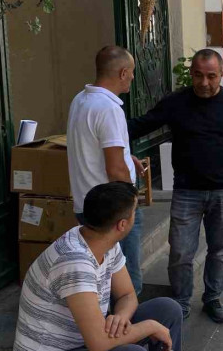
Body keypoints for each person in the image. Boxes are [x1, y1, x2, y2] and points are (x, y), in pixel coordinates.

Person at [128, 49, 223, 322]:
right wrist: (108, 132)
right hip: (187, 191)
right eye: (198, 75)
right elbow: (142, 125)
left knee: (218, 250)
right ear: (191, 74)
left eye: (211, 76)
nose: (204, 82)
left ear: (221, 74)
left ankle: (212, 298)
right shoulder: (176, 102)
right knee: (180, 251)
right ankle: (180, 301)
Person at [14, 182, 183, 351]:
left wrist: (120, 317)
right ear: (121, 225)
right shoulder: (74, 262)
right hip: (62, 347)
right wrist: (150, 327)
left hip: (86, 338)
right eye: (134, 212)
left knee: (168, 309)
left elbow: (127, 294)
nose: (136, 215)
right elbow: (99, 344)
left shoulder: (104, 241)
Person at [67, 45, 145, 294]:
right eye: (131, 72)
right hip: (113, 212)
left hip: (86, 206)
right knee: (126, 283)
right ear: (123, 73)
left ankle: (104, 325)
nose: (133, 77)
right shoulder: (109, 108)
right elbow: (115, 170)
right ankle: (126, 329)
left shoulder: (81, 99)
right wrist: (132, 202)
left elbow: (94, 147)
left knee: (101, 278)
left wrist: (125, 155)